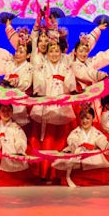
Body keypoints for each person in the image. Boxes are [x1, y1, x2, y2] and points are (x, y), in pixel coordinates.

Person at [28, 39, 78, 181]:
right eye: (51, 51)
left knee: (61, 139)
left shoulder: (66, 68)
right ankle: (44, 172)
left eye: (57, 51)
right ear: (47, 53)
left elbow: (70, 84)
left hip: (62, 106)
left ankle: (59, 173)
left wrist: (63, 81)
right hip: (46, 106)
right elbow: (39, 86)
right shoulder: (41, 67)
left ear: (61, 52)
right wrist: (49, 84)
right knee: (46, 140)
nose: (54, 54)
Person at [71, 33, 109, 124]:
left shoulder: (89, 62)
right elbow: (86, 73)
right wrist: (100, 75)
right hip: (82, 99)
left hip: (94, 99)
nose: (83, 54)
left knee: (97, 120)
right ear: (75, 53)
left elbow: (104, 57)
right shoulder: (74, 65)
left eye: (85, 51)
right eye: (80, 51)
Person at [52, 106, 109, 187]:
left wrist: (106, 148)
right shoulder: (76, 132)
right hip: (80, 156)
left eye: (87, 118)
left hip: (92, 159)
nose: (84, 121)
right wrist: (73, 147)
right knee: (74, 154)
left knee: (100, 154)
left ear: (93, 119)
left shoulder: (96, 133)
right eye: (82, 118)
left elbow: (102, 141)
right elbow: (73, 141)